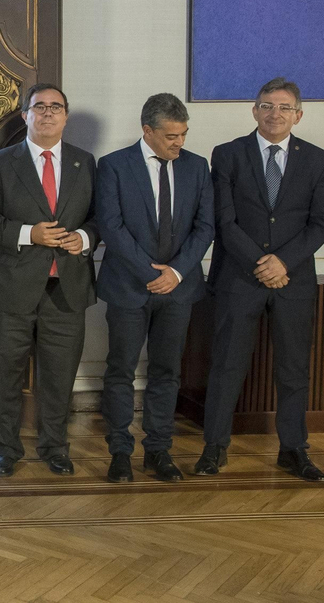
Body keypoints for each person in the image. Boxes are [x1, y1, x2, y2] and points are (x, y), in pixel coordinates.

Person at [197, 77, 324, 481]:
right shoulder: (228, 154)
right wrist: (261, 261)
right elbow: (223, 219)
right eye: (267, 106)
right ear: (254, 110)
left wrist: (282, 263)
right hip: (239, 276)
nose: (275, 114)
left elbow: (322, 220)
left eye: (284, 107)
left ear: (299, 115)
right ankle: (214, 447)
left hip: (293, 280)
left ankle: (293, 449)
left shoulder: (317, 159)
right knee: (226, 365)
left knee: (293, 369)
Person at [95, 92, 215, 483]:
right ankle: (119, 451)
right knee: (120, 371)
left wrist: (176, 272)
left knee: (167, 372)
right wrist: (150, 272)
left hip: (178, 290)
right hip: (129, 287)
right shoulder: (113, 166)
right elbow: (111, 227)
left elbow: (205, 227)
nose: (178, 142)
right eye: (170, 136)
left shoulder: (197, 167)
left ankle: (159, 451)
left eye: (183, 134)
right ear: (147, 131)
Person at [0, 84, 98, 478]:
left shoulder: (86, 162)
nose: (48, 113)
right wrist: (31, 233)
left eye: (56, 107)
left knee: (59, 376)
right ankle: (5, 450)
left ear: (66, 116)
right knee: (3, 375)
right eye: (39, 107)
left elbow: (99, 220)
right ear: (25, 115)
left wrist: (83, 238)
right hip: (10, 286)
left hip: (66, 288)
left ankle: (54, 447)